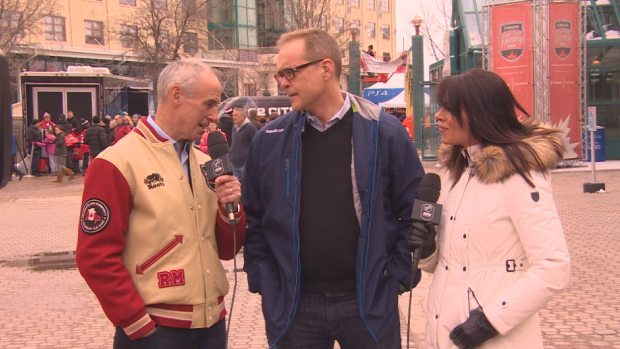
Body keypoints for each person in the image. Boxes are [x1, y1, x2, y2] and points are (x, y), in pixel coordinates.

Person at [242, 29, 425, 349]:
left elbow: (413, 209)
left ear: (326, 69)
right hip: (295, 306)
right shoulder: (269, 139)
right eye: (279, 74)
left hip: (368, 302)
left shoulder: (384, 131)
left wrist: (396, 276)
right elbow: (254, 219)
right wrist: (264, 280)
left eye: (290, 72)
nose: (283, 82)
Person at [76, 58, 246, 349]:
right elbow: (95, 255)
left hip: (212, 325)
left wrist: (231, 208)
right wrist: (134, 321)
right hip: (155, 330)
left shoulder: (207, 164)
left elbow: (228, 251)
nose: (213, 116)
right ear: (176, 95)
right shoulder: (116, 162)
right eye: (208, 104)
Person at [406, 69, 570, 349]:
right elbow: (450, 264)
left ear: (478, 112)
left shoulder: (520, 176)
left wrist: (490, 321)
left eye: (449, 108)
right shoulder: (455, 175)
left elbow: (554, 267)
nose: (438, 116)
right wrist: (427, 249)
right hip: (445, 331)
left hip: (495, 338)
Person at [229, 108, 257, 179]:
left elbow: (256, 144)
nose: (234, 117)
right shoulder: (234, 128)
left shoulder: (250, 128)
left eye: (236, 115)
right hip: (234, 164)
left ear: (243, 116)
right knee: (236, 186)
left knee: (245, 186)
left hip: (245, 164)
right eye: (233, 115)